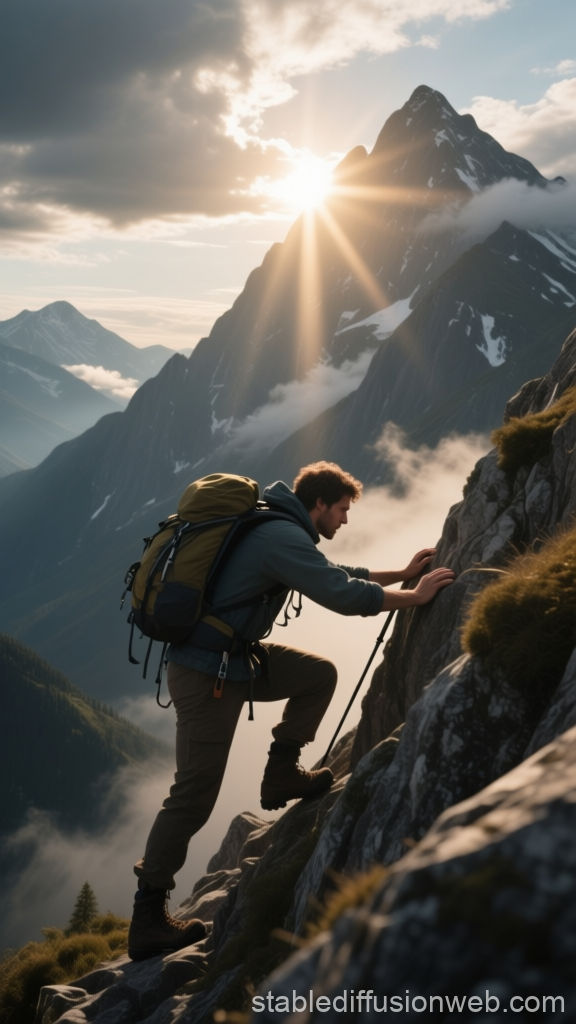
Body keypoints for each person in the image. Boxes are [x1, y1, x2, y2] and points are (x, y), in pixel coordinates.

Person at [127, 462, 455, 960]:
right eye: (342, 509)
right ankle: (148, 915)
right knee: (194, 792)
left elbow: (330, 573)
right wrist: (415, 596)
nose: (345, 520)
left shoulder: (277, 527)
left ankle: (281, 774)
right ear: (319, 504)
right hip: (204, 675)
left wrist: (401, 573)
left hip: (233, 661)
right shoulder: (277, 535)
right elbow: (341, 595)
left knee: (317, 675)